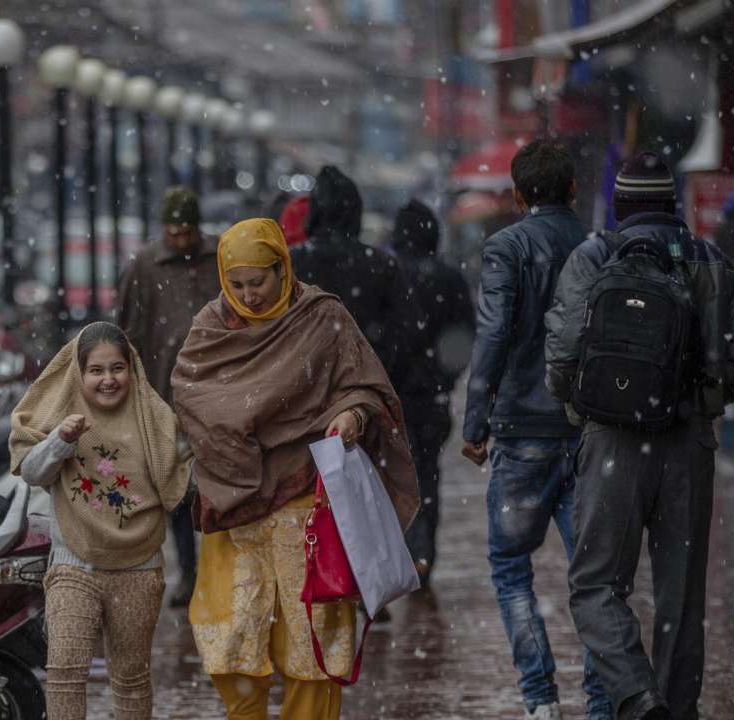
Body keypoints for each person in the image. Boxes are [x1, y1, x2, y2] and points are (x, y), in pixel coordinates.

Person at [544, 151, 734, 720]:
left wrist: (584, 409)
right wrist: (701, 402)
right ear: (672, 204)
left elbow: (562, 355)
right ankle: (675, 707)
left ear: (620, 206)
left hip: (612, 443)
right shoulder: (711, 261)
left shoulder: (593, 256)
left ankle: (638, 695)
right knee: (680, 598)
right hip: (688, 446)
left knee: (596, 586)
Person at [172, 218, 418, 720]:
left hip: (305, 499)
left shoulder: (321, 317)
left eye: (257, 281)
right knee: (232, 641)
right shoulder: (210, 327)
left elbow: (365, 386)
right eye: (236, 284)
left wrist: (350, 415)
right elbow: (191, 393)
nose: (249, 295)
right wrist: (236, 425)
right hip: (233, 506)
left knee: (312, 642)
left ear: (282, 268)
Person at [460, 140, 612, 720]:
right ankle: (600, 702)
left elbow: (493, 335)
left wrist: (476, 423)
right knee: (596, 576)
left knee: (510, 569)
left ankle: (541, 701)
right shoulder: (598, 248)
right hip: (590, 427)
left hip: (523, 431)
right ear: (573, 189)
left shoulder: (507, 247)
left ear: (518, 195)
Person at [9, 322, 189, 720]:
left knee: (130, 678)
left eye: (116, 369)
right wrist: (61, 440)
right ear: (79, 373)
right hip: (74, 564)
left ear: (132, 370)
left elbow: (179, 480)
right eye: (96, 370)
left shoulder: (154, 420)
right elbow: (34, 472)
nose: (108, 380)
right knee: (65, 672)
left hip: (139, 568)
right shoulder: (62, 416)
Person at [116, 185, 220, 607]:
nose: (181, 239)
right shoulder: (145, 265)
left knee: (220, 484)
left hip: (218, 394)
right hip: (166, 394)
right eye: (173, 232)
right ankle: (190, 572)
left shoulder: (219, 258)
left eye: (187, 232)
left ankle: (217, 568)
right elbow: (129, 329)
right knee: (177, 488)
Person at [389, 199, 474, 590]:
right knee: (427, 475)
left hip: (395, 396)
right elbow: (464, 337)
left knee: (392, 479)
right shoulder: (449, 278)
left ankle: (404, 555)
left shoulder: (390, 273)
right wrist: (444, 378)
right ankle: (423, 554)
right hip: (432, 398)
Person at [290, 165, 406, 375]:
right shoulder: (381, 265)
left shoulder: (292, 261)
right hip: (364, 387)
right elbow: (401, 333)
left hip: (303, 388)